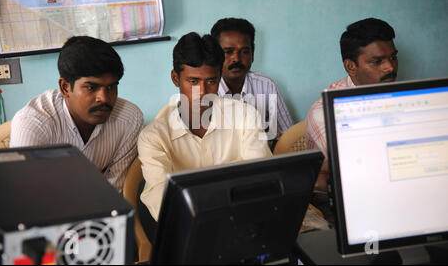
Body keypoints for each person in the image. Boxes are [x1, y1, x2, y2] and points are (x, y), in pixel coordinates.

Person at [138, 32, 272, 227]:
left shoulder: (245, 116)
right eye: (193, 82)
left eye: (211, 81)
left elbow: (260, 182)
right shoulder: (152, 137)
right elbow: (162, 204)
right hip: (187, 228)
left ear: (219, 78)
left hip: (242, 222)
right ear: (176, 78)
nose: (202, 92)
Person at [10, 36, 144, 191]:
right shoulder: (33, 124)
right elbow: (26, 195)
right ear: (65, 87)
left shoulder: (130, 119)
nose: (104, 98)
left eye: (111, 87)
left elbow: (113, 191)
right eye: (91, 87)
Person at [305, 18, 398, 221]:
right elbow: (353, 172)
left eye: (393, 58)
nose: (390, 68)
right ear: (351, 66)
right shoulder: (324, 112)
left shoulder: (407, 99)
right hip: (348, 207)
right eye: (377, 61)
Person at [210, 18, 293, 146]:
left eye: (244, 51)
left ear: (253, 53)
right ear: (215, 55)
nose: (236, 59)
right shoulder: (206, 90)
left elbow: (289, 136)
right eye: (228, 52)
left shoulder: (266, 86)